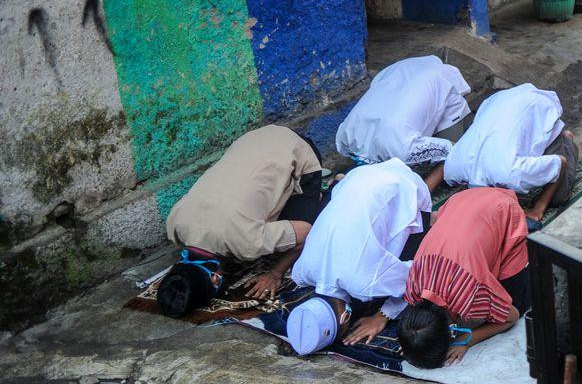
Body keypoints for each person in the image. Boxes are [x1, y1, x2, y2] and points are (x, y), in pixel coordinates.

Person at [258, 158, 432, 355]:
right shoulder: (301, 272)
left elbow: (417, 277)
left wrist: (381, 316)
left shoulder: (365, 285)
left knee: (415, 257)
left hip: (406, 186)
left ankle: (436, 221)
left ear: (344, 319)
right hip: (358, 176)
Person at [159, 125, 324, 318]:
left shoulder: (247, 244)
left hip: (299, 150)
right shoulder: (175, 225)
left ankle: (330, 192)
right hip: (254, 137)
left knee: (305, 224)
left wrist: (275, 273)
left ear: (215, 278)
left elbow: (304, 232)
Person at [397, 187, 530, 368]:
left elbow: (511, 317)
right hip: (459, 200)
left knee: (519, 305)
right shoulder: (413, 289)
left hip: (503, 208)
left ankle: (531, 238)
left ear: (452, 330)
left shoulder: (469, 297)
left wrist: (466, 341)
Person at [442, 83, 577, 222]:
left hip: (538, 106)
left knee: (559, 197)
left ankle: (566, 140)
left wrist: (538, 209)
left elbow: (561, 162)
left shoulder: (511, 173)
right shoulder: (453, 168)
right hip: (499, 100)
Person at [335, 56, 471, 191]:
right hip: (404, 71)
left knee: (454, 155)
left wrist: (424, 190)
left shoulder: (348, 135)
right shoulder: (348, 135)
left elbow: (454, 149)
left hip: (422, 76)